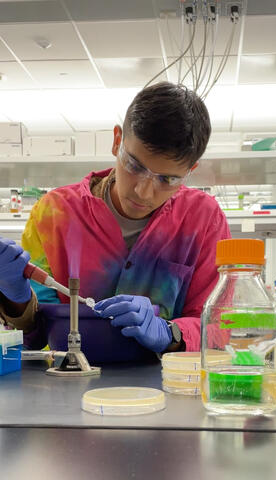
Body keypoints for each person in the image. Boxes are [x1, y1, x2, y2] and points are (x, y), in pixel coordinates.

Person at [0, 81, 230, 355]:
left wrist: (170, 332)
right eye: (134, 165)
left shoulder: (203, 219)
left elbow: (217, 325)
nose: (144, 192)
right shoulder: (54, 213)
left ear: (190, 170)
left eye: (167, 179)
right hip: (66, 385)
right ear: (117, 141)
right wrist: (16, 297)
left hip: (166, 388)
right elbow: (34, 335)